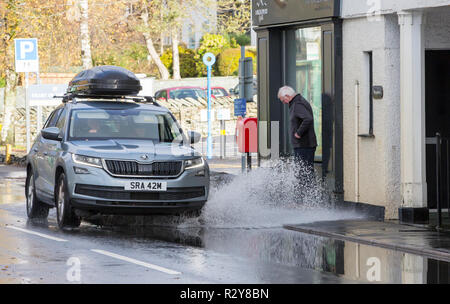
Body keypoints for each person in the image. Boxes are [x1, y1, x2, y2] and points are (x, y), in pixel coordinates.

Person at [278, 86, 317, 174]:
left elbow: (308, 119)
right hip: (304, 145)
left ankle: (308, 188)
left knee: (303, 174)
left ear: (287, 96)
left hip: (304, 145)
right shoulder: (298, 102)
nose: (284, 103)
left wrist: (298, 133)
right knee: (305, 173)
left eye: (283, 100)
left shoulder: (297, 104)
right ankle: (309, 188)